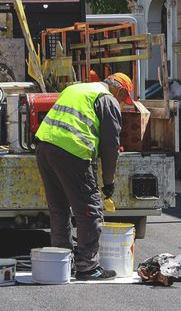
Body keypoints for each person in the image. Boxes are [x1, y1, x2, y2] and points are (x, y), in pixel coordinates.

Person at [34, 72, 132, 281]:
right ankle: (88, 267)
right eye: (124, 99)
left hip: (44, 147)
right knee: (90, 209)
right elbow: (110, 146)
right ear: (121, 91)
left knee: (59, 209)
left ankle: (63, 263)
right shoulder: (107, 100)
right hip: (72, 151)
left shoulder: (75, 88)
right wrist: (108, 182)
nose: (122, 103)